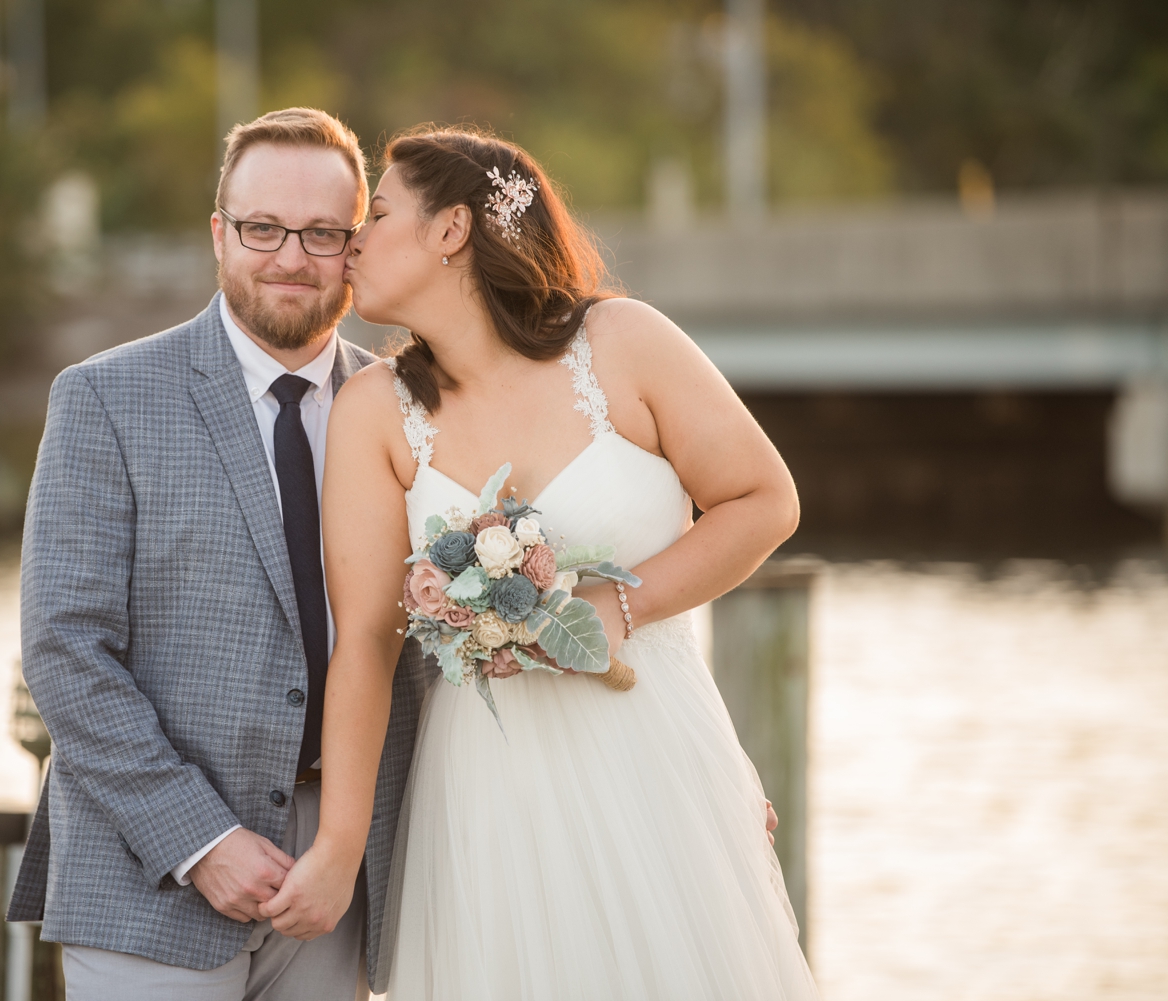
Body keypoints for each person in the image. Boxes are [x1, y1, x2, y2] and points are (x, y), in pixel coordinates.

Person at [261, 127, 819, 999]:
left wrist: (614, 608)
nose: (351, 241)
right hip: (485, 785)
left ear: (451, 230)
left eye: (377, 213)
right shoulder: (374, 410)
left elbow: (764, 501)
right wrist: (338, 844)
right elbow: (366, 641)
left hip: (651, 753)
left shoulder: (624, 342)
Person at [4, 108, 432, 1000]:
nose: (290, 257)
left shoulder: (414, 412)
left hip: (344, 874)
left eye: (322, 233)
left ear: (355, 246)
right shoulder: (104, 399)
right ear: (218, 233)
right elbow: (64, 648)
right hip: (146, 869)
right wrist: (198, 838)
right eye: (262, 228)